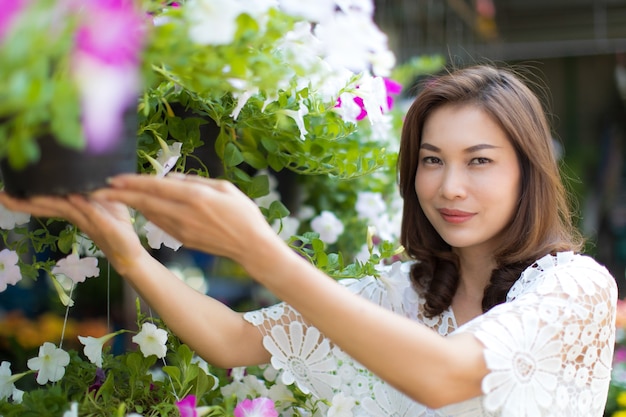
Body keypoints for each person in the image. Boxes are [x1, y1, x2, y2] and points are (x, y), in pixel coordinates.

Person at [0, 64, 618, 417]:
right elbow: (234, 340)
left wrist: (259, 250)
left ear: (526, 171)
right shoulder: (406, 293)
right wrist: (125, 248)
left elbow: (446, 376)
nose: (450, 186)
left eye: (479, 161)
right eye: (432, 160)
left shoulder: (574, 288)